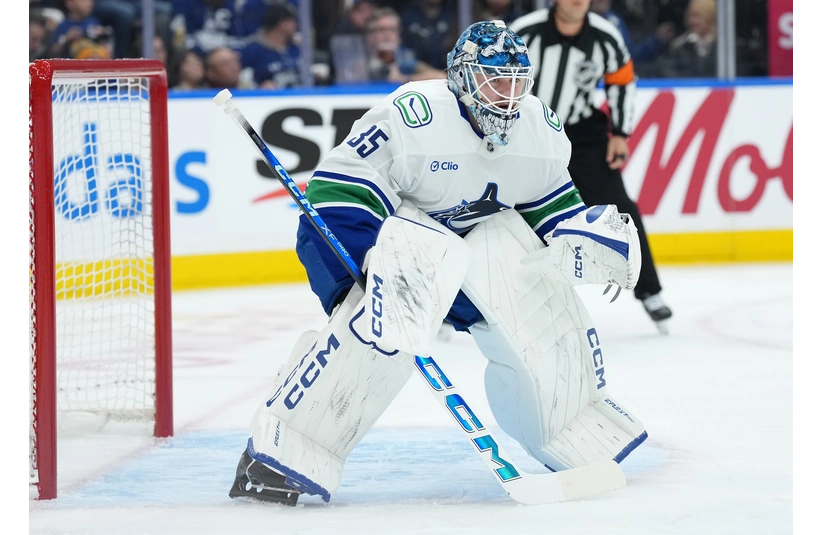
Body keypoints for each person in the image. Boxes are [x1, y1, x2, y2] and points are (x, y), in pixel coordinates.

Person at [226, 19, 648, 506]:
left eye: (517, 82)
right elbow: (337, 193)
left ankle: (570, 426)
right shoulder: (414, 117)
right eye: (495, 80)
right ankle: (286, 450)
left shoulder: (538, 128)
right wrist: (373, 267)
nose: (509, 96)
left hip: (463, 252)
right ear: (463, 78)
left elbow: (548, 209)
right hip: (365, 234)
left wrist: (584, 235)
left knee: (536, 303)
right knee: (385, 323)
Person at [509, 0, 673, 333]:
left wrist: (620, 133)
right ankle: (472, 300)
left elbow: (622, 82)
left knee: (620, 209)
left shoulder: (605, 35)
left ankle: (649, 291)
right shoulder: (525, 32)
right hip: (528, 131)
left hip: (582, 134)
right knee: (503, 213)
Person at [240, 2, 302, 89]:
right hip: (268, 96)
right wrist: (258, 88)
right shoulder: (253, 51)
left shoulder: (296, 48)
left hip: (299, 94)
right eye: (292, 21)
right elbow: (243, 81)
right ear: (281, 24)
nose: (296, 26)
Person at [654, 0, 718, 79]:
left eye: (697, 16)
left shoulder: (723, 47)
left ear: (709, 17)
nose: (692, 21)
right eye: (690, 16)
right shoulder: (680, 47)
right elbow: (669, 72)